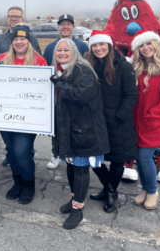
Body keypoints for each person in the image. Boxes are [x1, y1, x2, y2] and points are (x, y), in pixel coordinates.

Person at [51, 38, 109, 229]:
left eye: (66, 50)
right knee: (71, 165)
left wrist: (59, 83)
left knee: (81, 168)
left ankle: (78, 209)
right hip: (70, 129)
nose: (62, 53)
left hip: (85, 130)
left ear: (74, 51)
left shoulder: (83, 70)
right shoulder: (63, 70)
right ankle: (74, 198)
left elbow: (80, 95)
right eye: (59, 50)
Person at [85, 27, 138, 213]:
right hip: (95, 122)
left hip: (117, 123)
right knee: (93, 159)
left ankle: (110, 192)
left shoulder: (123, 66)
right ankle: (108, 188)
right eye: (95, 45)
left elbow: (131, 95)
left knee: (117, 160)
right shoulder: (87, 65)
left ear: (109, 45)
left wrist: (119, 116)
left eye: (102, 44)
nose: (98, 48)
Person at [0, 25, 47, 205]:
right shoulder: (2, 59)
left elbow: (44, 91)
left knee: (21, 152)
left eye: (23, 39)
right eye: (16, 39)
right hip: (5, 114)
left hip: (28, 117)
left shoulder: (39, 61)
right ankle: (17, 182)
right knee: (11, 151)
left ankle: (29, 185)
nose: (19, 42)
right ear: (12, 42)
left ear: (29, 42)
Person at [129, 31, 160, 211]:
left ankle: (153, 191)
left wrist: (153, 114)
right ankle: (145, 190)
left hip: (152, 121)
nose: (145, 48)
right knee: (138, 159)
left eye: (148, 44)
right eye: (141, 45)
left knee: (145, 158)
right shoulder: (136, 67)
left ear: (155, 44)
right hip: (135, 121)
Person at [0, 6, 42, 167]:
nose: (13, 19)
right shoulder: (1, 39)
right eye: (11, 16)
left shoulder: (31, 38)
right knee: (11, 141)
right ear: (7, 19)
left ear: (22, 18)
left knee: (23, 146)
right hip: (7, 100)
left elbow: (39, 65)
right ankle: (12, 156)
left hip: (26, 102)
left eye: (17, 16)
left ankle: (27, 155)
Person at [44, 14, 89, 170]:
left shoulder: (82, 46)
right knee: (56, 126)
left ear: (73, 27)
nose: (65, 27)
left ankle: (72, 152)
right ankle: (56, 154)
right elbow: (46, 70)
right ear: (58, 27)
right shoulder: (50, 47)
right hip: (56, 93)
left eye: (68, 24)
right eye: (62, 24)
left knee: (73, 125)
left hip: (73, 93)